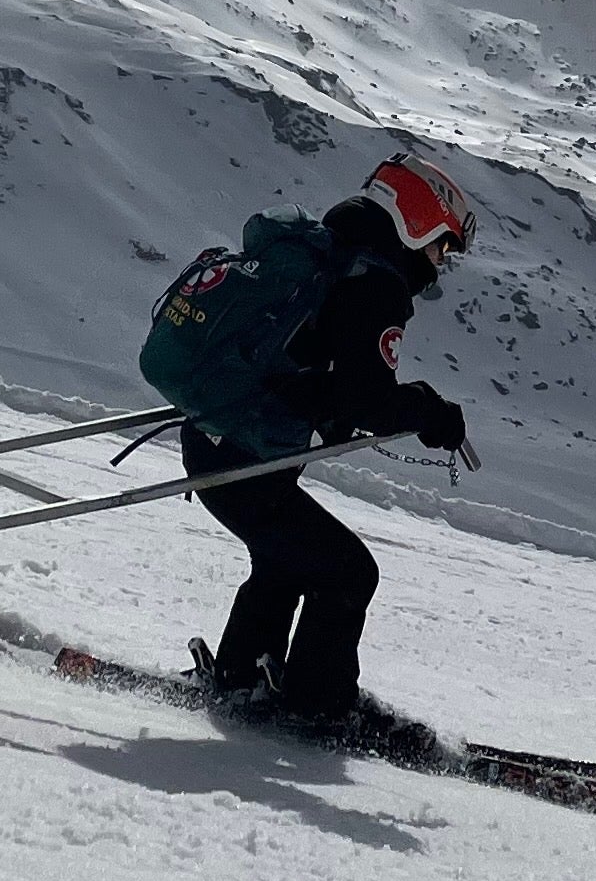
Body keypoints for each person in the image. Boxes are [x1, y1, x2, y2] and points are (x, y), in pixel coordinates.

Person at [169, 153, 478, 749]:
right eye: (443, 246)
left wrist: (332, 409)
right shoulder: (375, 283)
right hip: (245, 460)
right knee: (348, 571)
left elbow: (316, 370)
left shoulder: (328, 254)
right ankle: (318, 707)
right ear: (417, 223)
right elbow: (367, 398)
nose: (441, 265)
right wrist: (428, 411)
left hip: (217, 442)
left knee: (290, 557)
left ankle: (241, 680)